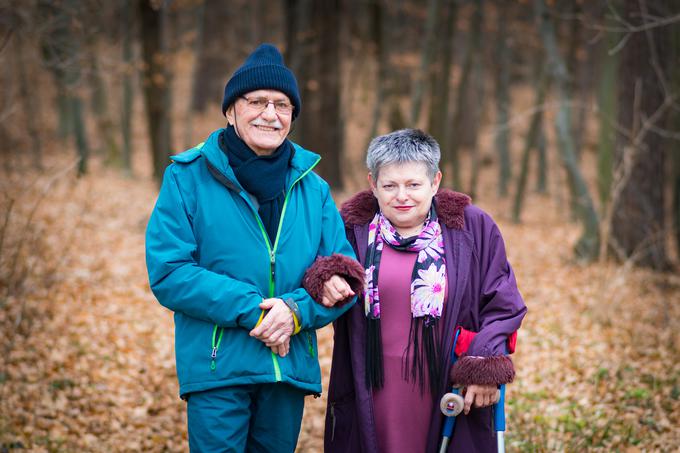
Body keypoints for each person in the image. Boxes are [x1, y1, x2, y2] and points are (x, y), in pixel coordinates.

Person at [145, 43, 365, 452]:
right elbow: (169, 272)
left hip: (287, 370)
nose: (270, 113)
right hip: (218, 368)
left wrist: (296, 311)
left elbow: (345, 271)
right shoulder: (187, 177)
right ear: (230, 110)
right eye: (256, 101)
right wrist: (258, 311)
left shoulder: (313, 189)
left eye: (282, 105)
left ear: (292, 117)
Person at [302, 129, 527, 452]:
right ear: (373, 184)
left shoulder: (473, 228)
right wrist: (323, 280)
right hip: (370, 383)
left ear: (435, 182)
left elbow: (504, 305)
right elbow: (316, 269)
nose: (401, 196)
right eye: (390, 185)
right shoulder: (351, 231)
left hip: (446, 383)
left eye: (413, 185)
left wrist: (485, 361)